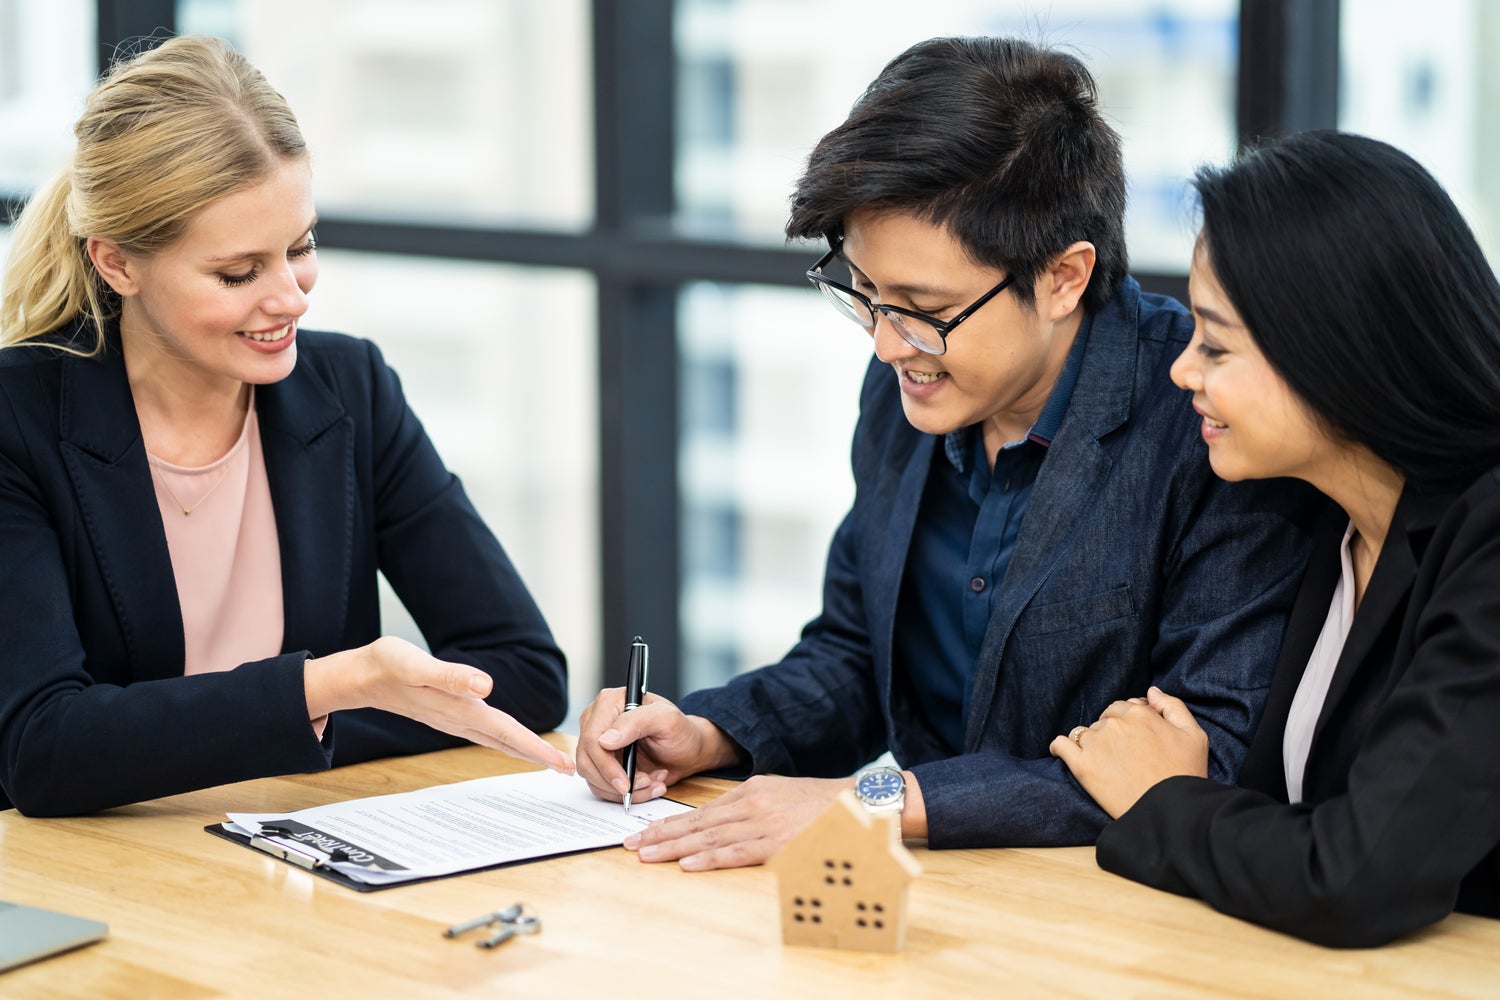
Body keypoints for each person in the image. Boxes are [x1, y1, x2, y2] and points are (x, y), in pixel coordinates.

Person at [574, 36, 1323, 868]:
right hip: (934, 900)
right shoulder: (912, 391)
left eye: (924, 307)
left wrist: (874, 800)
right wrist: (707, 732)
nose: (888, 344)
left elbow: (1198, 759)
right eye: (863, 293)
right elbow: (857, 657)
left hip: (1120, 915)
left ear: (1064, 277)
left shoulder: (1206, 425)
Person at [0, 35, 573, 816]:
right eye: (239, 273)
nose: (292, 297)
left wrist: (310, 725)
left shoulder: (350, 389)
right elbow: (44, 747)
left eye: (299, 248)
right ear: (118, 264)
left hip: (295, 868)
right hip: (99, 885)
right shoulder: (18, 420)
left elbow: (524, 673)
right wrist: (330, 686)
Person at [1050, 130, 1500, 947]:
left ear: (1339, 351)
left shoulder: (1489, 538)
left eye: (1216, 345)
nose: (1184, 371)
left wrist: (1165, 800)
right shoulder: (1323, 516)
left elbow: (1355, 875)